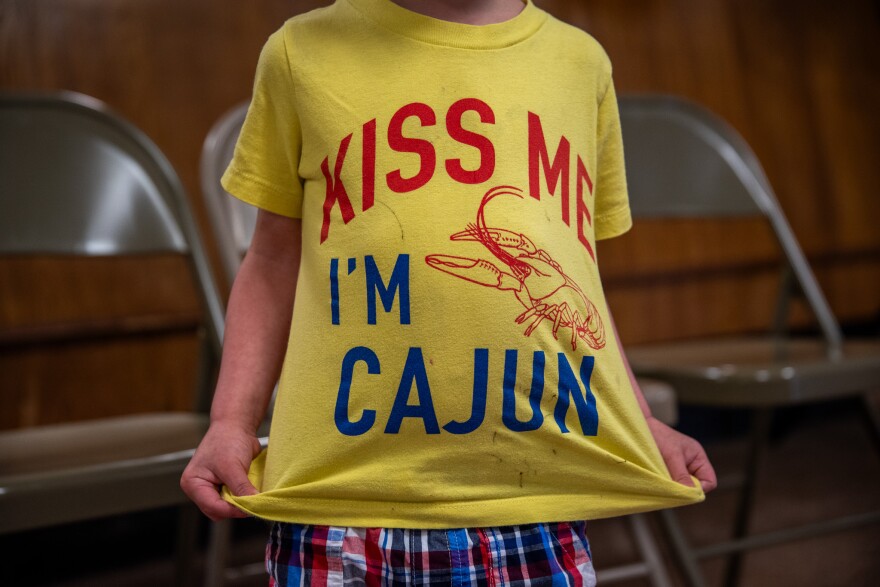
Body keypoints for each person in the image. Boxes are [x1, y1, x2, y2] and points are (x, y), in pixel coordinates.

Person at [181, 0, 717, 584]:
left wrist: (640, 423)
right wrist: (230, 419)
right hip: (336, 506)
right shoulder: (297, 52)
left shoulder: (581, 62)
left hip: (535, 502)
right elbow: (270, 260)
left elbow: (579, 278)